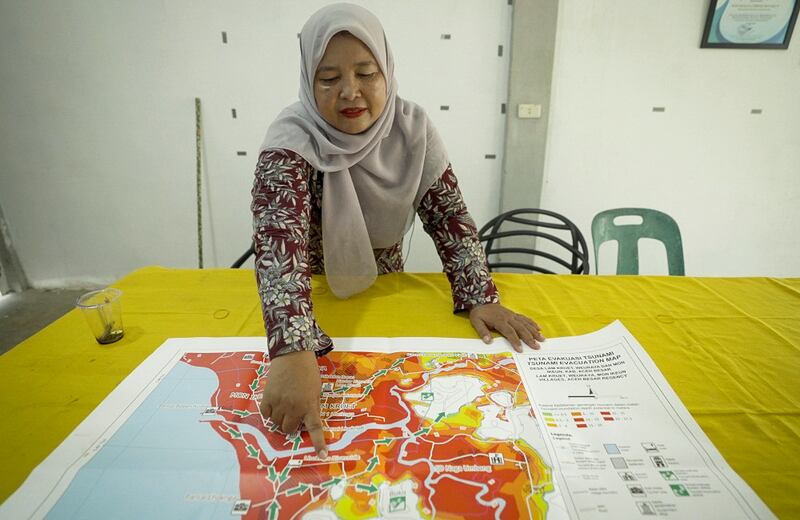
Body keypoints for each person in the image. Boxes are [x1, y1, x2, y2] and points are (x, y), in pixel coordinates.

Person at [251, 3, 544, 459]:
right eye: (328, 79)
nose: (350, 92)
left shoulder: (413, 129)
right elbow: (278, 245)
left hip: (383, 281)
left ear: (387, 70)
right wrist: (291, 351)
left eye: (366, 73)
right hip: (307, 290)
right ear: (309, 81)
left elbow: (450, 218)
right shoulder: (293, 137)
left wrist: (480, 295)